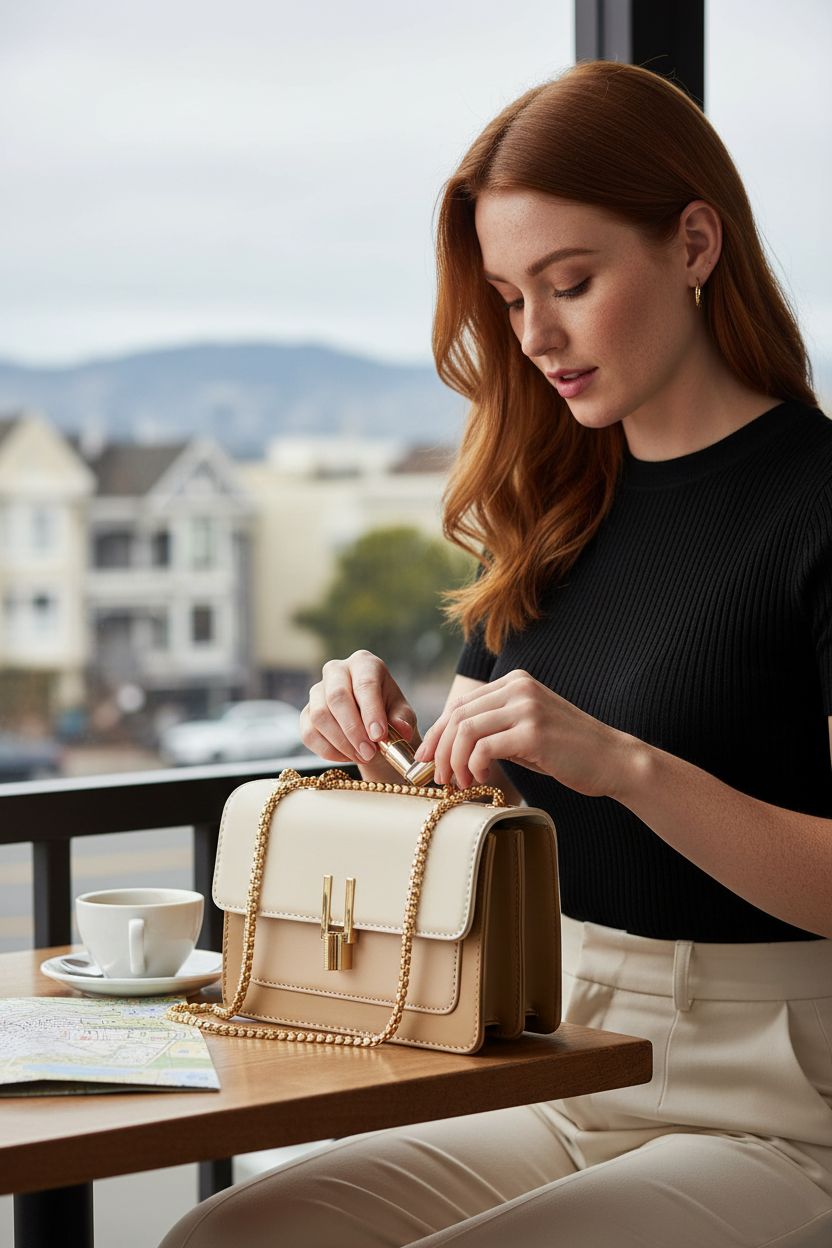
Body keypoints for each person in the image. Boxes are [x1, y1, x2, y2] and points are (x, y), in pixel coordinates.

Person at [160, 59, 832, 1247]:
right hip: (555, 1053)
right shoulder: (556, 503)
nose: (537, 337)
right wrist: (377, 753)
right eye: (512, 299)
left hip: (782, 1102)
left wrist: (623, 764)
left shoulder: (816, 503)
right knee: (223, 1237)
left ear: (692, 243)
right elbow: (466, 820)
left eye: (570, 283)